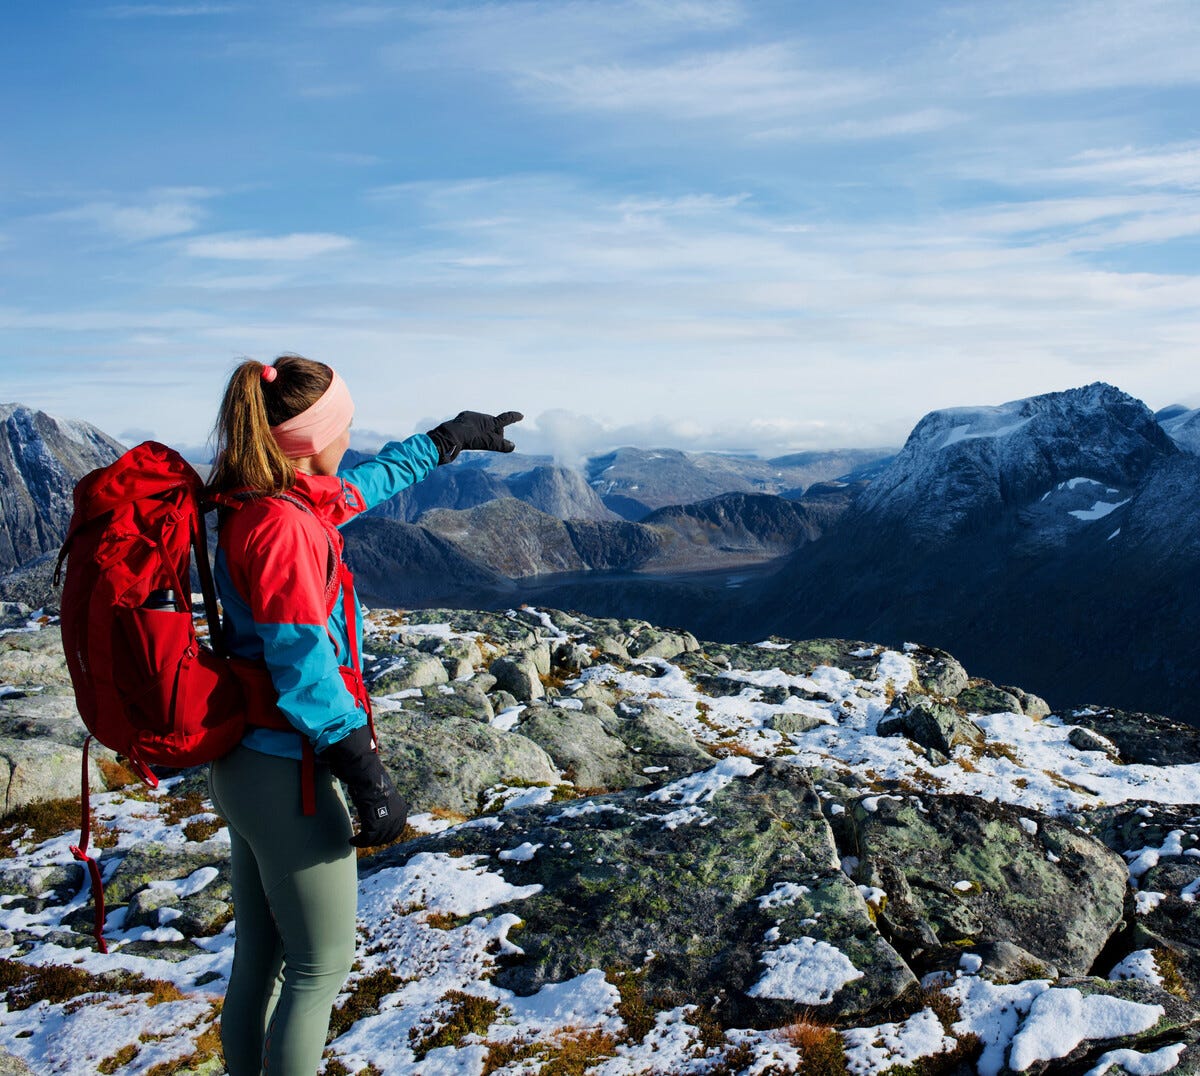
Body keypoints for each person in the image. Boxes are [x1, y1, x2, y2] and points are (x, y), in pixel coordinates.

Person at [204, 354, 520, 1075]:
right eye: (344, 425)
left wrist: (444, 440)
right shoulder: (283, 529)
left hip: (246, 765)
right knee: (319, 968)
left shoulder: (265, 500)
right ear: (314, 437)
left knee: (261, 959)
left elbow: (356, 489)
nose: (350, 438)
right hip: (286, 773)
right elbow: (303, 664)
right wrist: (363, 769)